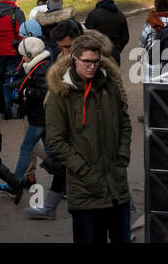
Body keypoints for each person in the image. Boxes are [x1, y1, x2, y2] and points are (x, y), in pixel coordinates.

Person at [44, 33, 132, 243]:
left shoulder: (110, 87)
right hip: (85, 191)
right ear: (75, 59)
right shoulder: (60, 94)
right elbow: (56, 141)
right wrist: (84, 171)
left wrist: (122, 157)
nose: (92, 66)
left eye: (95, 61)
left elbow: (125, 124)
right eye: (87, 62)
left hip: (116, 186)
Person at [11, 36, 51, 186]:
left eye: (23, 55)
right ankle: (65, 184)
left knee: (26, 149)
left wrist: (26, 92)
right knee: (50, 151)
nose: (22, 58)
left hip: (38, 117)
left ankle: (15, 182)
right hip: (42, 116)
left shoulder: (40, 69)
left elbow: (43, 91)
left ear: (30, 54)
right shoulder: (41, 65)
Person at [84, 0, 129, 64]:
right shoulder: (121, 15)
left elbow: (86, 37)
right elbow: (125, 38)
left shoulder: (93, 15)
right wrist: (117, 50)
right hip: (114, 56)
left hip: (97, 57)